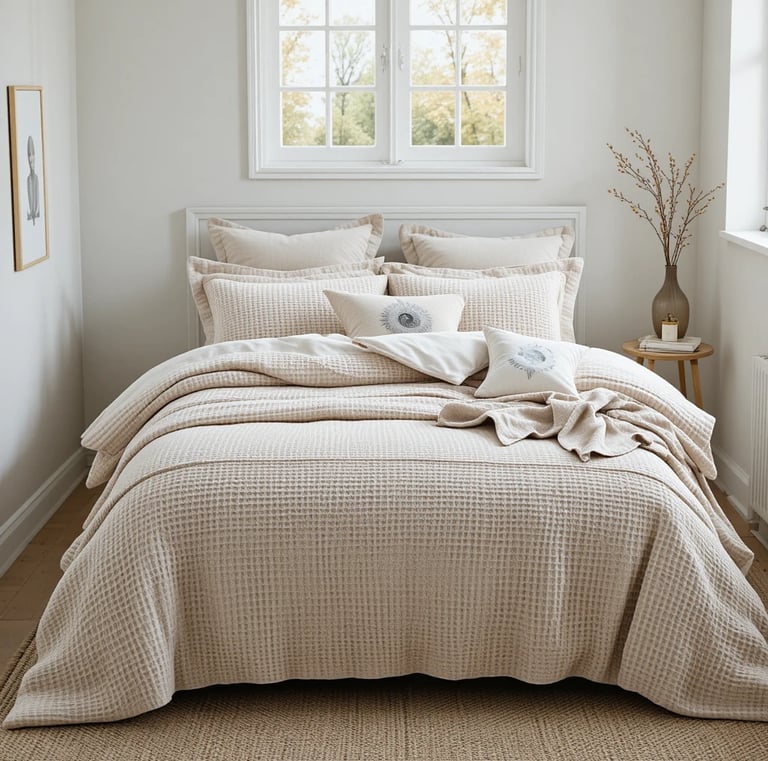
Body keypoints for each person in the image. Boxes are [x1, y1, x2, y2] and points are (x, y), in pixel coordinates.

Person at [26, 135, 40, 225]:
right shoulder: (29, 180)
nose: (31, 158)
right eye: (29, 155)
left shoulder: (36, 178)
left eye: (33, 155)